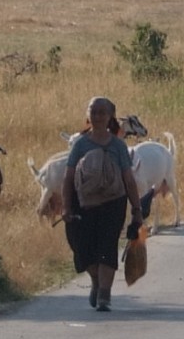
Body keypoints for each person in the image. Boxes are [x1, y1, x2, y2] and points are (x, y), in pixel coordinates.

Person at [62, 95, 145, 312]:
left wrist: (137, 210)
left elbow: (128, 178)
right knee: (83, 248)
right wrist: (66, 206)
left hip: (113, 203)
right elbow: (69, 177)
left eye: (102, 112)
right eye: (93, 112)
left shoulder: (118, 145)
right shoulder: (80, 144)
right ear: (87, 115)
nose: (97, 116)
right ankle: (97, 282)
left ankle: (104, 295)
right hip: (83, 204)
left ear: (110, 117)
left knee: (107, 247)